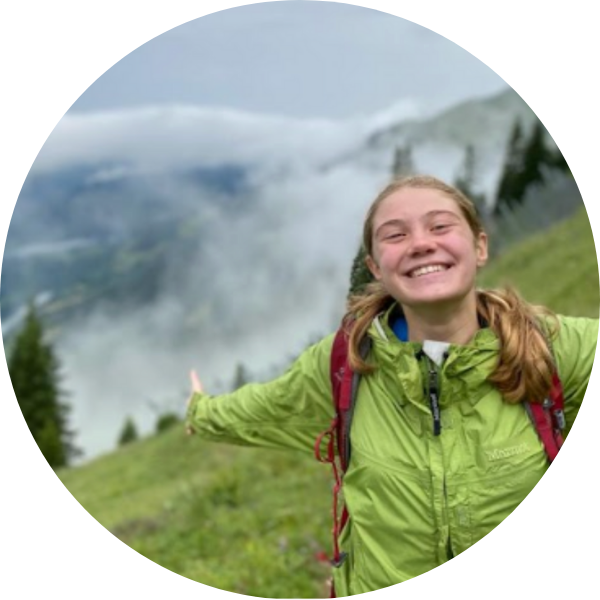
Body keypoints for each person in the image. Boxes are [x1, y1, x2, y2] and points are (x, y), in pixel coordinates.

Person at [185, 174, 598, 596]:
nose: (421, 243)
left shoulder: (555, 349)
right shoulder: (344, 362)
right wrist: (200, 410)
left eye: (440, 227)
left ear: (480, 247)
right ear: (376, 268)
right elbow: (265, 406)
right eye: (395, 235)